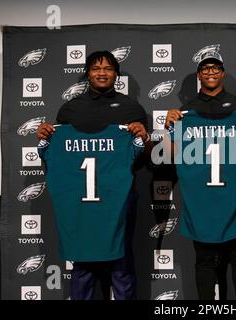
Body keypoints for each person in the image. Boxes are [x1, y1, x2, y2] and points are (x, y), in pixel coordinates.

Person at [37, 50, 151, 300]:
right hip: (82, 200)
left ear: (116, 74)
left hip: (119, 197)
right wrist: (47, 137)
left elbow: (144, 157)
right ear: (88, 73)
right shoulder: (69, 110)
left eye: (108, 68)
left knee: (121, 263)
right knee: (83, 265)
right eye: (97, 68)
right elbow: (60, 159)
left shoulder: (131, 108)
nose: (102, 73)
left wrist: (144, 137)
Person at [164, 51, 236, 300]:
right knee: (205, 258)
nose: (210, 72)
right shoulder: (187, 111)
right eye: (205, 68)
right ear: (199, 74)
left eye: (215, 67)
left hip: (233, 194)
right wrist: (169, 128)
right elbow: (173, 156)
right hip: (201, 196)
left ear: (222, 72)